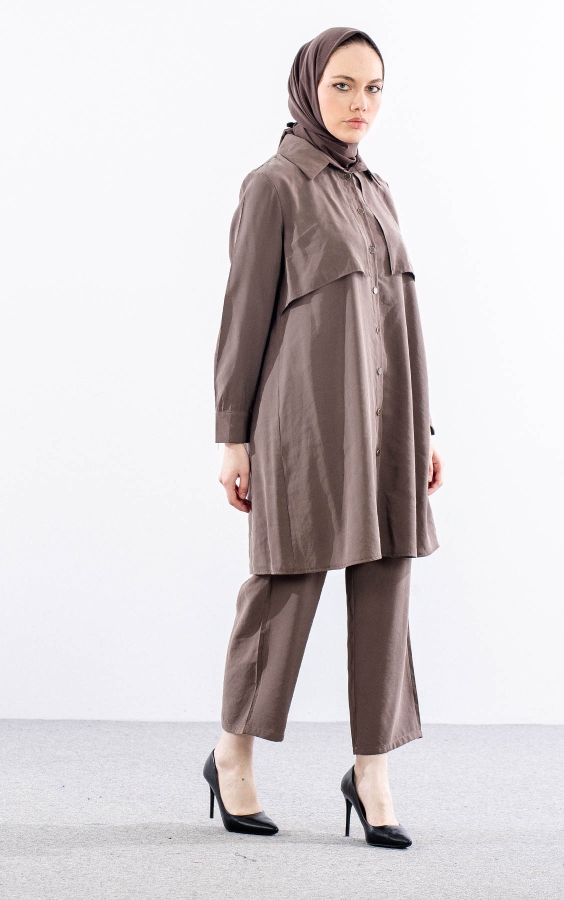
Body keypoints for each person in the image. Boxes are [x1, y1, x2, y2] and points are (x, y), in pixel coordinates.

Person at [204, 26, 444, 849]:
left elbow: (393, 320)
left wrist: (424, 428)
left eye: (373, 88)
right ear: (309, 86)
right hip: (303, 424)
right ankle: (232, 754)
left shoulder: (378, 191)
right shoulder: (274, 186)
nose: (359, 103)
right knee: (285, 584)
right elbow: (243, 317)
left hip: (390, 423)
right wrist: (233, 437)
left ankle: (372, 773)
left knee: (387, 582)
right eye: (342, 85)